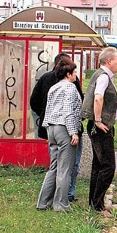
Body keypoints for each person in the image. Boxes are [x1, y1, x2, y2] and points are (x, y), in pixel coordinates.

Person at [30, 53, 84, 202]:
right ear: (68, 74)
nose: (76, 76)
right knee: (65, 169)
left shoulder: (54, 87)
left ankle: (43, 202)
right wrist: (74, 132)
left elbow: (46, 108)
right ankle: (61, 203)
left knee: (53, 167)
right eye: (74, 73)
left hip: (51, 129)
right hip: (64, 129)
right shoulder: (70, 88)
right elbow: (68, 111)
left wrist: (46, 126)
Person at [81, 47, 117, 215]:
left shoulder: (99, 74)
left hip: (99, 125)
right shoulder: (104, 77)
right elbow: (98, 97)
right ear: (109, 61)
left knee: (98, 166)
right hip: (101, 126)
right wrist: (98, 120)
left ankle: (94, 202)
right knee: (108, 166)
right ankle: (98, 206)